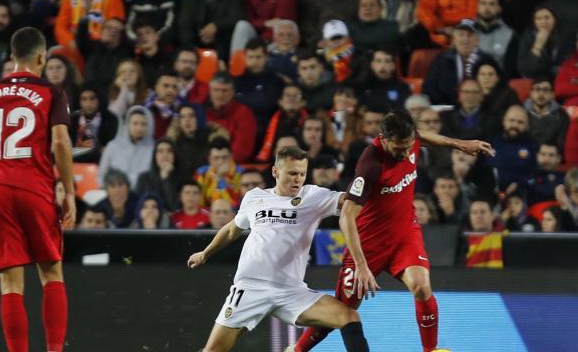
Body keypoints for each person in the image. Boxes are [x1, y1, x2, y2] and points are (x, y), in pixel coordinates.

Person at [295, 110, 494, 352]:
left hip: (404, 234)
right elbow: (346, 217)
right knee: (342, 311)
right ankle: (296, 350)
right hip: (369, 243)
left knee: (422, 287)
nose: (405, 154)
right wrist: (361, 265)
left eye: (409, 147)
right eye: (399, 149)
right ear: (384, 138)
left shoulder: (410, 140)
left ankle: (431, 350)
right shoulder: (370, 165)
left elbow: (423, 137)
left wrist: (460, 144)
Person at [0, 27, 75, 352]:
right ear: (40, 57)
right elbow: (61, 142)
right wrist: (70, 192)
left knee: (10, 283)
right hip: (35, 189)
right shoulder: (52, 92)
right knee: (51, 273)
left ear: (12, 57)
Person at [189, 146, 370, 352]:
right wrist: (205, 252)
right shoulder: (254, 197)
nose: (298, 179)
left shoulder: (314, 196)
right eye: (292, 173)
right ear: (276, 172)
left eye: (302, 174)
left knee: (349, 316)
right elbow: (232, 230)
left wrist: (367, 180)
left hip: (291, 291)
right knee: (213, 350)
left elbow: (350, 201)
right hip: (251, 287)